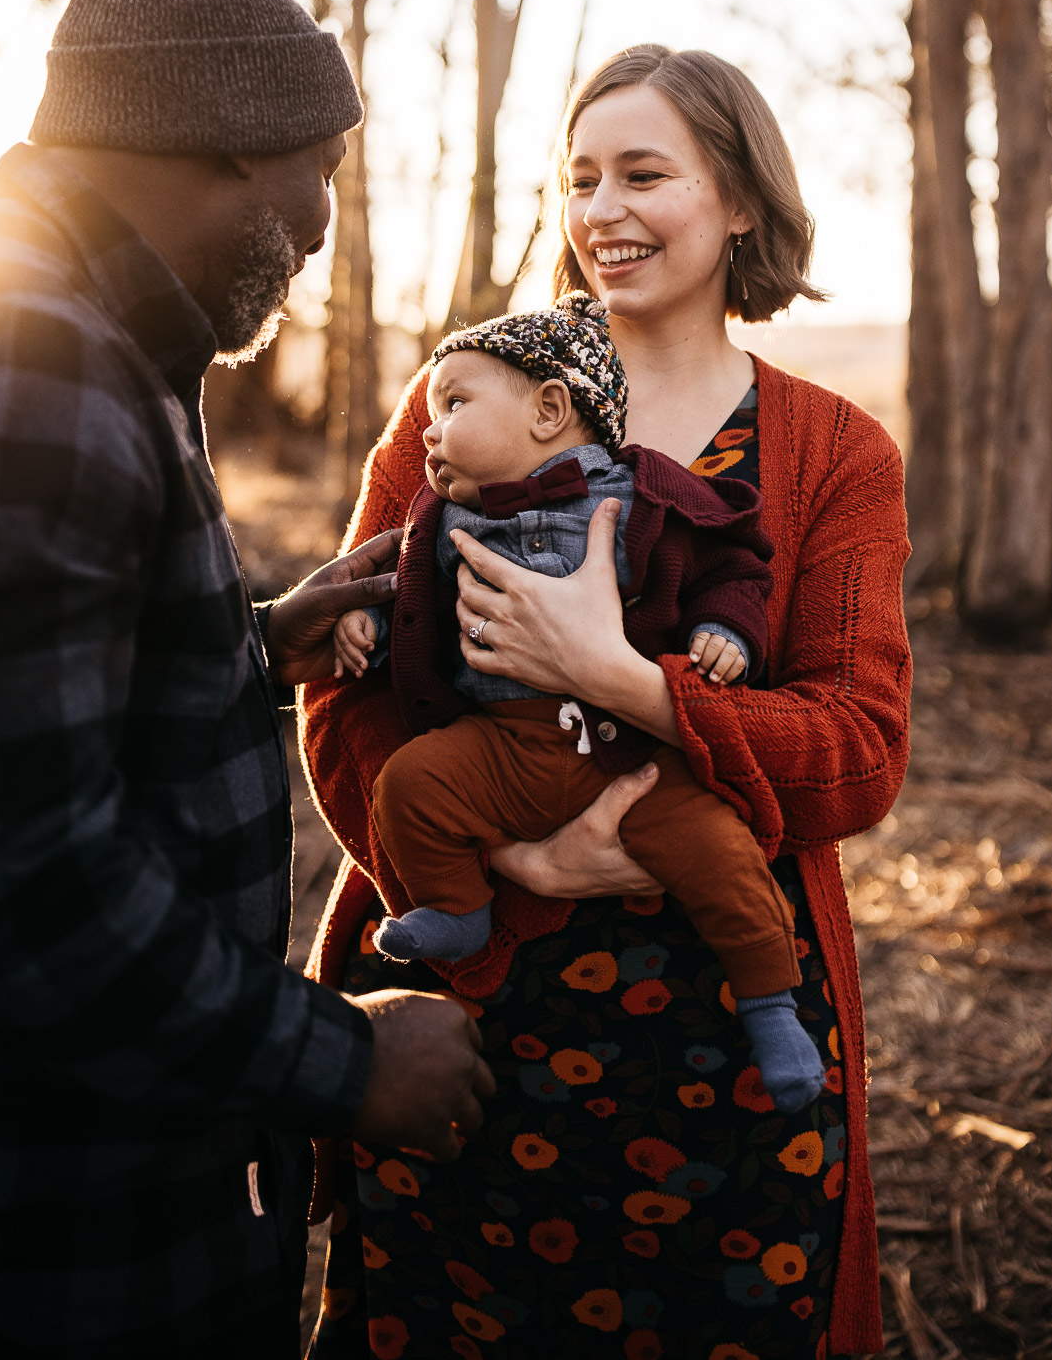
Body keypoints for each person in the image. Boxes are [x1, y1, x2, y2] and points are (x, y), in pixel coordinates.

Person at [0, 0, 493, 1360]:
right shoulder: (32, 360)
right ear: (229, 142)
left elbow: (2, 717)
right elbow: (13, 872)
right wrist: (343, 1059)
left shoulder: (73, 331)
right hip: (47, 1251)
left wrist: (241, 646)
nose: (320, 221)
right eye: (320, 166)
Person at [302, 44, 910, 1358]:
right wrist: (517, 852)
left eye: (646, 173)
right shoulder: (460, 399)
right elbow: (342, 696)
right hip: (465, 1028)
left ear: (740, 199)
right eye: (580, 176)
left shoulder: (834, 454)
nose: (601, 210)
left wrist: (624, 680)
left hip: (726, 1061)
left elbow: (861, 750)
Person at [332, 293, 827, 1115]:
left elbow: (731, 564)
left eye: (453, 402)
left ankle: (774, 1005)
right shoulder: (438, 516)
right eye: (583, 179)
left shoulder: (640, 495)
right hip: (504, 746)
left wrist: (725, 631)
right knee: (411, 785)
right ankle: (457, 907)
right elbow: (405, 600)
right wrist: (363, 624)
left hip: (634, 750)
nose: (430, 428)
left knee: (723, 856)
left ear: (549, 409)